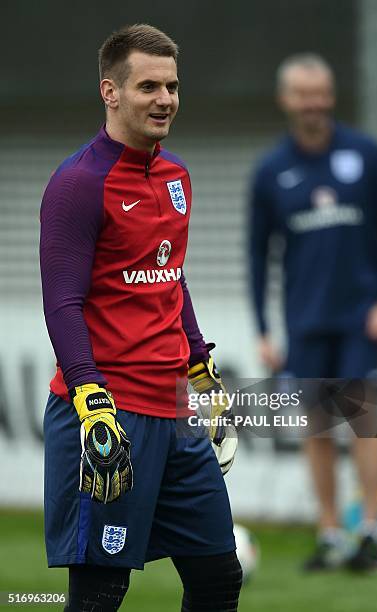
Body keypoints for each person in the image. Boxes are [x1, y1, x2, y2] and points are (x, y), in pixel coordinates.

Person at [40, 23, 241, 611]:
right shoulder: (78, 184)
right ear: (110, 91)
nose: (165, 100)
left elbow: (170, 277)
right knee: (101, 592)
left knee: (218, 578)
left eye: (172, 87)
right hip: (111, 412)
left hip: (175, 411)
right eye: (148, 86)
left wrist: (201, 369)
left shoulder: (176, 177)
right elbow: (62, 304)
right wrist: (89, 399)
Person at [248, 54, 377, 571]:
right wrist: (264, 327)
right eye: (303, 94)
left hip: (361, 314)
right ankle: (331, 531)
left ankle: (372, 530)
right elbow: (256, 252)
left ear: (331, 96)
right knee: (315, 426)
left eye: (321, 93)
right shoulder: (271, 171)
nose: (313, 103)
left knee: (365, 420)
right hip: (305, 317)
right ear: (286, 100)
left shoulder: (366, 155)